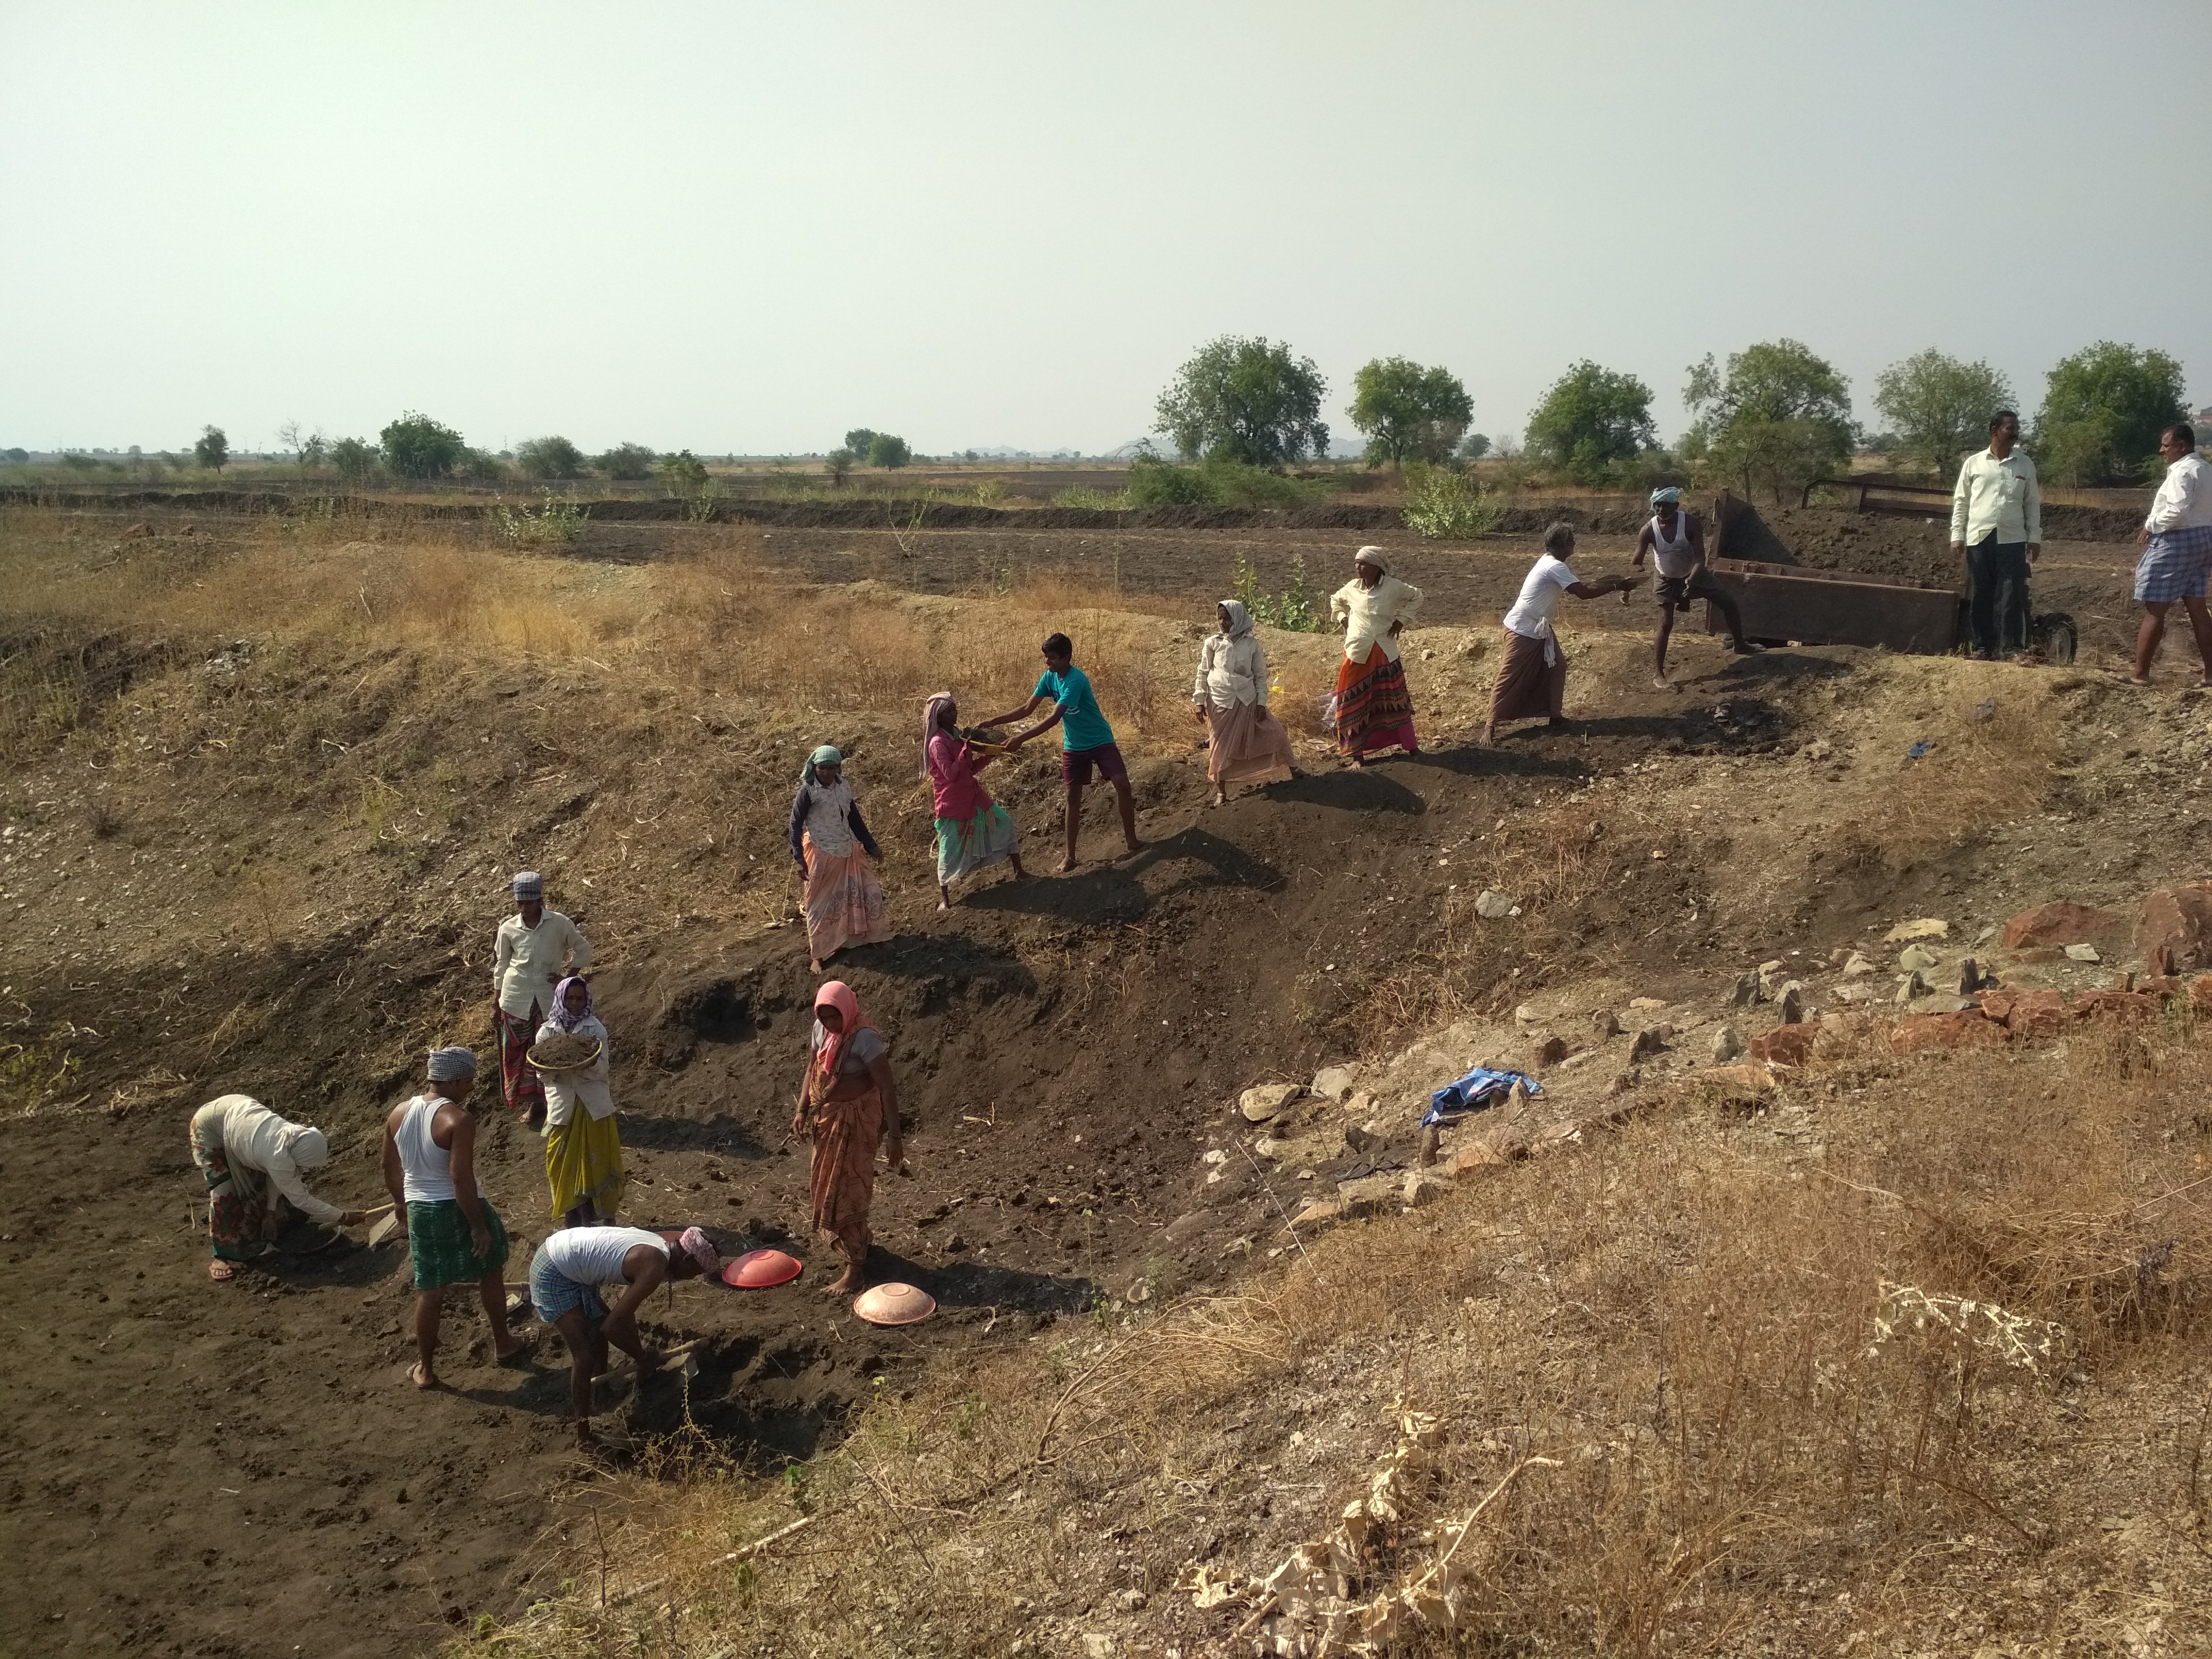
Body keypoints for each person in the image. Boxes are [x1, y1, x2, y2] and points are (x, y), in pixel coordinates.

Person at [380, 1046, 523, 1389]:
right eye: (469, 1081)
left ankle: (426, 1369)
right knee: (491, 1270)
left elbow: (388, 1166)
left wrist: (401, 1202)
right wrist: (477, 1226)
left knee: (429, 1289)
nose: (471, 1088)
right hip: (454, 1206)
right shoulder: (458, 1120)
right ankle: (503, 1344)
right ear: (456, 1079)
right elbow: (461, 1179)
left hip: (420, 1211)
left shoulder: (398, 1113)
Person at [528, 1224, 718, 1446]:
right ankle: (584, 1434)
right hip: (554, 1270)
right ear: (687, 1260)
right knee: (584, 1355)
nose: (689, 1279)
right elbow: (612, 1328)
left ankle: (602, 1393)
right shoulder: (654, 1266)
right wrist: (642, 1357)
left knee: (598, 1323)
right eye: (694, 1273)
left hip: (568, 1259)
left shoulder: (658, 1246)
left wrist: (642, 1355)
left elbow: (623, 1313)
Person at [791, 981, 909, 1297]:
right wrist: (802, 1110)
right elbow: (811, 1070)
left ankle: (855, 1270)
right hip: (827, 1120)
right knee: (826, 1184)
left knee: (849, 1188)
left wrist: (895, 1137)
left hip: (855, 1124)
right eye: (824, 1017)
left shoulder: (866, 1038)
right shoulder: (821, 1031)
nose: (830, 1024)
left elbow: (886, 1087)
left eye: (835, 1017)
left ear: (847, 1009)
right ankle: (858, 1244)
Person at [990, 633, 1142, 873]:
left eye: (1051, 658)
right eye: (1046, 657)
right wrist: (992, 723)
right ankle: (1070, 856)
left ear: (1066, 657)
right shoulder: (1050, 677)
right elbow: (1028, 708)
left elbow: (1054, 718)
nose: (1047, 663)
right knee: (1073, 797)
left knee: (1122, 784)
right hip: (1074, 745)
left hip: (1100, 739)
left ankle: (1132, 840)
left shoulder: (1076, 680)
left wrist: (1021, 739)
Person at [1483, 523, 1642, 743]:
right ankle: (1490, 725)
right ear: (1561, 545)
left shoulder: (1550, 563)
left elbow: (1581, 586)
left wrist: (1615, 582)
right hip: (1523, 628)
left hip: (1538, 627)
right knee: (1509, 675)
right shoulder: (1555, 567)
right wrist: (1616, 587)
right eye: (1571, 542)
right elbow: (1583, 593)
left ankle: (1554, 716)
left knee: (1557, 665)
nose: (1574, 546)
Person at [188, 1095, 369, 1281]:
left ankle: (275, 1222)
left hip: (240, 1115)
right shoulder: (278, 1155)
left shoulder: (292, 1137)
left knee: (267, 1180)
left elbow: (277, 1175)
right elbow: (300, 1199)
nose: (301, 1170)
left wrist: (270, 1211)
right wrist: (344, 1217)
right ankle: (221, 1255)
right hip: (210, 1126)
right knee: (225, 1192)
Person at [492, 871, 591, 1130]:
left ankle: (554, 1104)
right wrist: (496, 1000)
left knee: (547, 1052)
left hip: (548, 998)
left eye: (529, 902)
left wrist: (567, 978)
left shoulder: (559, 924)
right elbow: (502, 965)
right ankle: (533, 1104)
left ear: (540, 899)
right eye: (519, 903)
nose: (524, 907)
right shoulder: (509, 928)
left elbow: (583, 949)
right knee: (517, 1054)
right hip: (514, 998)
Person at [1629, 487, 1756, 688]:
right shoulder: (1648, 530)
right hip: (1665, 578)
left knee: (1729, 602)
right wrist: (1627, 584)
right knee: (1665, 623)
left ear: (1676, 506)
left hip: (1693, 572)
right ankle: (1658, 674)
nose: (1661, 509)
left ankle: (1740, 645)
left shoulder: (1690, 523)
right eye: (1657, 505)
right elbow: (1637, 561)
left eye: (1666, 505)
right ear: (1653, 506)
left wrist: (1692, 579)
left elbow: (1700, 558)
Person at [786, 744, 890, 974]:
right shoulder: (808, 791)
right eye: (823, 768)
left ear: (838, 768)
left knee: (866, 892)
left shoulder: (843, 788)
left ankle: (869, 937)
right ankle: (819, 955)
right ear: (815, 768)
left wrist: (870, 844)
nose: (827, 773)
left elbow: (854, 818)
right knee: (819, 905)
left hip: (847, 848)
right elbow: (795, 824)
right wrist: (798, 856)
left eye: (832, 768)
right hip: (822, 851)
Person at [1948, 410, 2042, 661]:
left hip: (2012, 539)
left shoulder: (2024, 464)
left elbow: (2032, 503)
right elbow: (1961, 502)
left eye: (2016, 429)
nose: (2015, 433)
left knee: (2012, 593)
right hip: (1980, 538)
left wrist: (2035, 537)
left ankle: (2011, 650)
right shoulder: (1974, 464)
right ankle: (1982, 648)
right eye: (2009, 429)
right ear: (1994, 432)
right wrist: (1957, 535)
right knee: (1981, 593)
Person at [2126, 423, 2212, 685]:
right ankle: (2211, 675)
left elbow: (2177, 512)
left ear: (2182, 446)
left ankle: (2140, 675)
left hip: (2179, 540)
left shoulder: (2182, 473)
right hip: (2205, 538)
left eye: (2166, 445)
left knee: (2155, 607)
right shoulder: (2206, 469)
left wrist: (2151, 525)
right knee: (2197, 606)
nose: (2162, 450)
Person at [537, 974, 624, 1228]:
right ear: (561, 999)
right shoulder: (546, 1032)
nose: (575, 1003)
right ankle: (571, 1218)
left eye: (580, 998)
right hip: (563, 1106)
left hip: (592, 1105)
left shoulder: (595, 1029)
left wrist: (579, 1065)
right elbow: (543, 1075)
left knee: (598, 1161)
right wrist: (557, 1067)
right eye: (570, 998)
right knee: (560, 1161)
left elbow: (603, 1068)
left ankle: (605, 1220)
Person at [923, 692, 1025, 908]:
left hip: (972, 794)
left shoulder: (957, 736)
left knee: (1004, 822)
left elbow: (970, 770)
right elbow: (950, 775)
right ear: (939, 718)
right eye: (949, 711)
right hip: (952, 801)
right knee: (949, 848)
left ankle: (1019, 871)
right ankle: (945, 899)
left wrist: (990, 755)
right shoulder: (938, 743)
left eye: (954, 709)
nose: (955, 713)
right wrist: (964, 750)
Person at [1191, 600, 1297, 805]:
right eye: (1220, 618)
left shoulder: (1252, 646)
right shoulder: (1213, 643)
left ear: (1237, 619)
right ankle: (1221, 792)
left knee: (1274, 730)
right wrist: (1199, 700)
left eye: (1227, 618)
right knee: (1219, 746)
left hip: (1247, 700)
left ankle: (1294, 768)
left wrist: (1261, 703)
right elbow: (1202, 672)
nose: (1223, 623)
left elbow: (1259, 677)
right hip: (1219, 701)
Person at [1327, 548, 1424, 765]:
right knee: (1354, 703)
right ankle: (1357, 756)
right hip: (1357, 654)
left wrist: (1402, 620)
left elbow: (1417, 597)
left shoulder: (1394, 587)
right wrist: (1343, 619)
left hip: (1385, 653)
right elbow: (1335, 600)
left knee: (1395, 701)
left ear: (1376, 566)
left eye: (1362, 564)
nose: (1357, 568)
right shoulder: (1352, 588)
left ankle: (1412, 747)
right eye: (1356, 563)